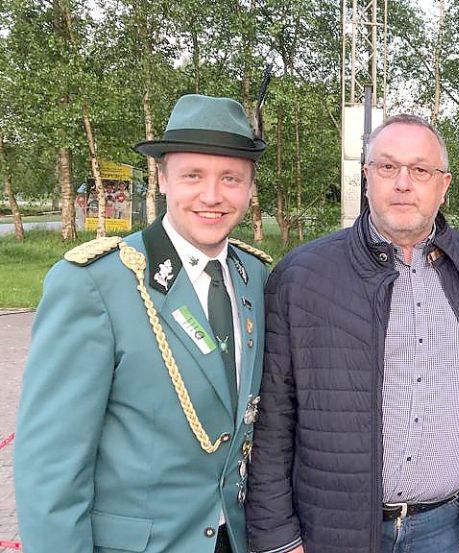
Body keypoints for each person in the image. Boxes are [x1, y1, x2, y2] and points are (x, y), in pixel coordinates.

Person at [14, 94, 271, 553]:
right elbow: (51, 469)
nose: (212, 196)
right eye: (193, 175)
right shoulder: (97, 284)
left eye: (230, 178)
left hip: (234, 539)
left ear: (250, 189)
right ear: (163, 179)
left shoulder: (256, 277)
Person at [245, 114, 459, 553]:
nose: (403, 183)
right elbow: (274, 415)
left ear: (443, 184)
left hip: (445, 529)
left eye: (420, 170)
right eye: (387, 167)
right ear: (366, 177)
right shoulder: (303, 275)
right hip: (331, 532)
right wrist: (277, 536)